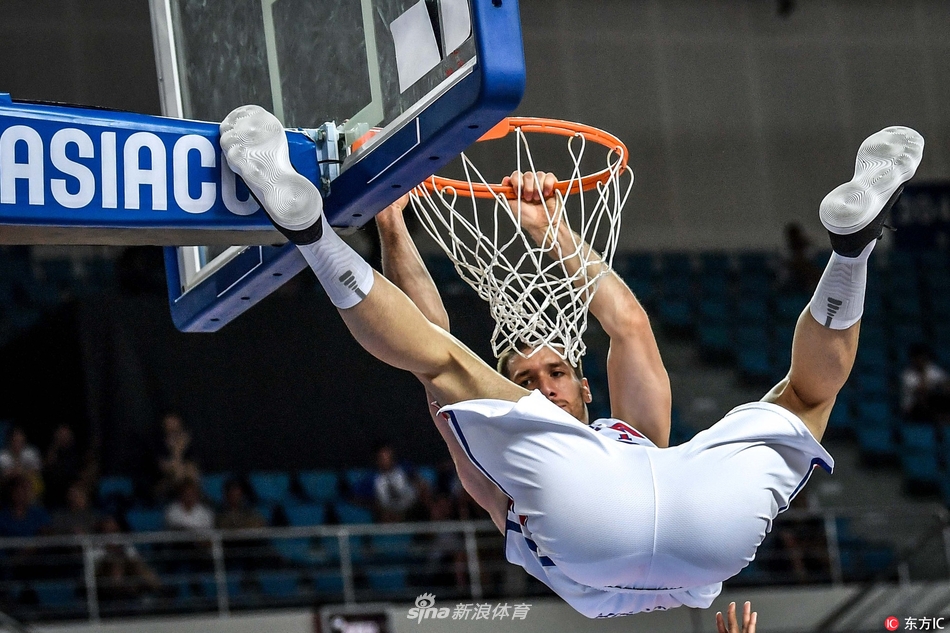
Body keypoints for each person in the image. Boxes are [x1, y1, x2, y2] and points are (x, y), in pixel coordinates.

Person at [220, 105, 922, 617]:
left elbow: (625, 327)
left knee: (444, 366)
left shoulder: (622, 446)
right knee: (805, 400)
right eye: (526, 379)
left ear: (588, 388)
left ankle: (850, 247)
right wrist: (393, 229)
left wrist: (551, 230)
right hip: (656, 534)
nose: (541, 385)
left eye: (554, 372)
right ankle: (852, 252)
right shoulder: (577, 446)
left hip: (657, 536)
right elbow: (433, 342)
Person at [900, 343, 950, 423]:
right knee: (924, 397)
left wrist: (944, 386)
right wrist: (923, 374)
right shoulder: (907, 375)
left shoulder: (932, 369)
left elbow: (946, 383)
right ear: (913, 359)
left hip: (933, 403)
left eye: (923, 358)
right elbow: (922, 390)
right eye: (918, 359)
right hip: (912, 407)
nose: (921, 361)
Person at [372, 443, 419, 522]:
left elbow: (420, 483)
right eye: (383, 458)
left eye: (388, 456)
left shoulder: (405, 469)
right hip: (387, 513)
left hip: (411, 509)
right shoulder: (373, 477)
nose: (386, 460)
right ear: (378, 459)